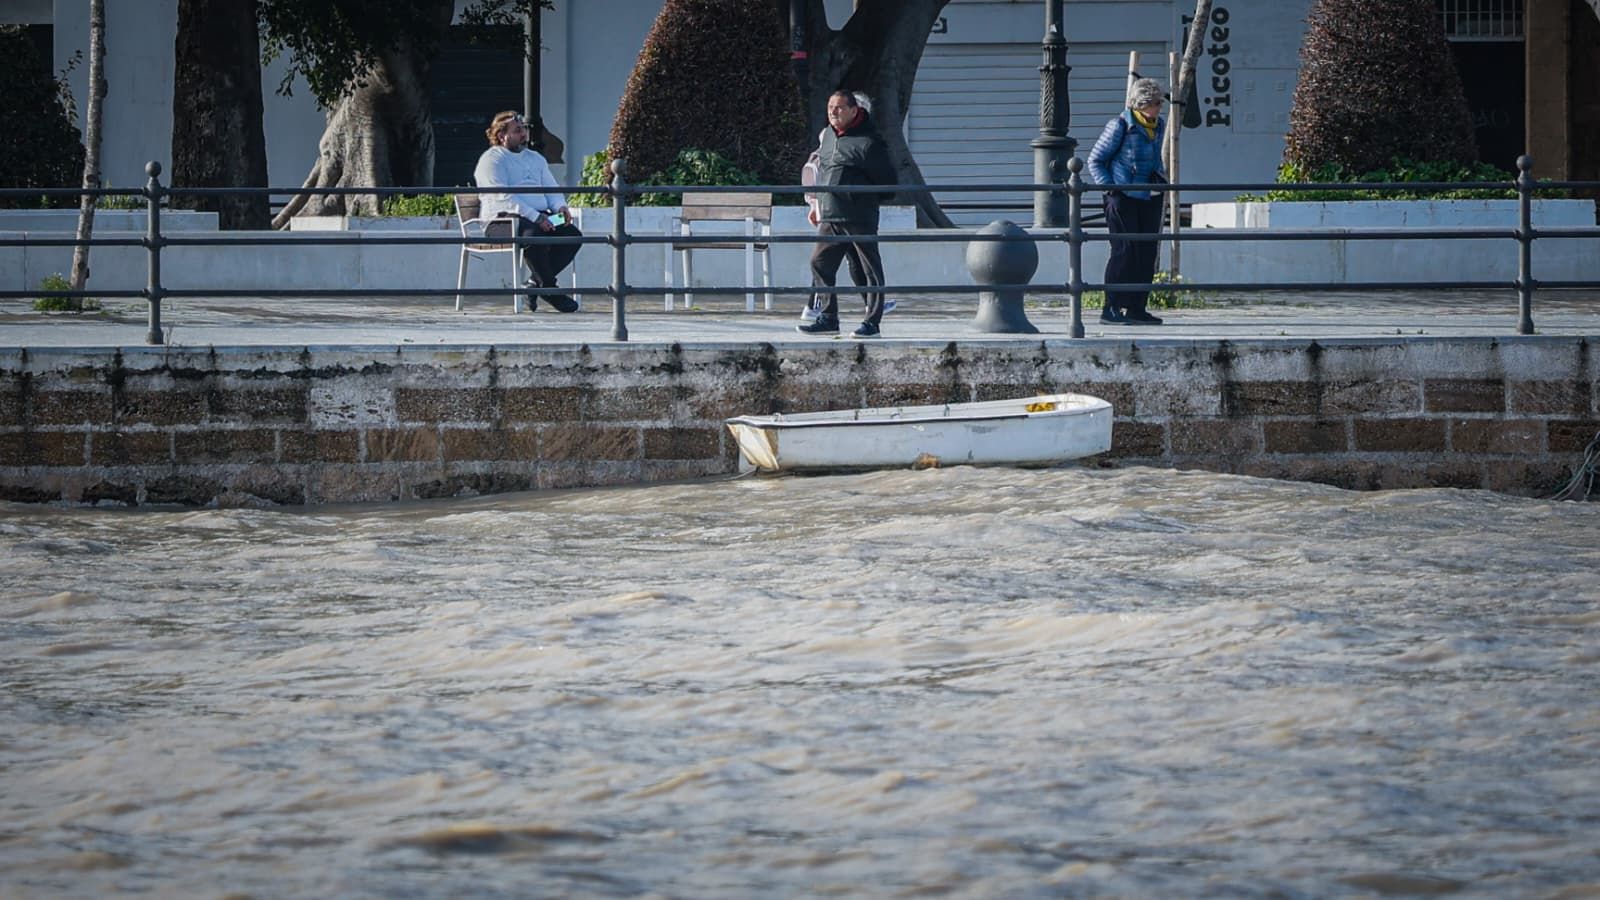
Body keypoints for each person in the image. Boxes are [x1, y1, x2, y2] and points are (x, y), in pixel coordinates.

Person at [797, 90, 897, 339]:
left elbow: (888, 183)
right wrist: (817, 204)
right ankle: (828, 317)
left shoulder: (870, 142)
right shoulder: (828, 136)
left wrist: (860, 197)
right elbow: (823, 171)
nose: (833, 112)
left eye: (839, 107)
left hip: (858, 215)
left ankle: (872, 323)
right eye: (830, 107)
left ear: (854, 110)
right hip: (830, 214)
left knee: (868, 270)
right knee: (819, 263)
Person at [473, 110, 581, 313]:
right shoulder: (492, 160)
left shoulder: (536, 158)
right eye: (517, 130)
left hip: (542, 216)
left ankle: (533, 285)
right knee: (534, 235)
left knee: (572, 235)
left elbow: (550, 188)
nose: (523, 134)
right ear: (501, 136)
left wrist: (560, 207)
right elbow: (503, 196)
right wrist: (536, 217)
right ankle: (550, 290)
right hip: (503, 220)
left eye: (524, 129)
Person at [1087, 77, 1169, 326]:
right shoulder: (1120, 125)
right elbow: (1095, 160)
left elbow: (1155, 158)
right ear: (1141, 104)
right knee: (1124, 252)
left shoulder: (1159, 124)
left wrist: (1161, 180)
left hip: (1149, 196)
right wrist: (1111, 189)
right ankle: (1110, 307)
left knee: (1146, 253)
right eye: (1155, 103)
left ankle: (1136, 307)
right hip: (1122, 196)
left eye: (1159, 102)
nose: (1159, 108)